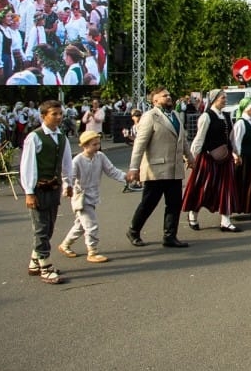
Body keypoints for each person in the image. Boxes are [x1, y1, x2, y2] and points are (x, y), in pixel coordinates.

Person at [125, 88, 192, 248]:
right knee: (149, 203)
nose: (168, 97)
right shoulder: (150, 117)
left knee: (174, 203)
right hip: (156, 169)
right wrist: (134, 167)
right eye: (164, 96)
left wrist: (190, 158)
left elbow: (183, 141)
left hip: (174, 168)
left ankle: (170, 236)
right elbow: (139, 145)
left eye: (169, 95)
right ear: (154, 101)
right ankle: (133, 230)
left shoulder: (175, 116)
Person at [19, 100, 74, 284]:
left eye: (60, 114)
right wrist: (29, 191)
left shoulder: (61, 137)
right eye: (54, 114)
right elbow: (28, 166)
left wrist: (68, 183)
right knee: (41, 227)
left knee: (49, 225)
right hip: (39, 188)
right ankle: (45, 265)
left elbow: (66, 163)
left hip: (54, 187)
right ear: (43, 116)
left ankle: (35, 261)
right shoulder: (34, 137)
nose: (58, 118)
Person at [58, 130, 127, 263]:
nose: (97, 147)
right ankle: (92, 251)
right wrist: (68, 188)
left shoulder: (100, 157)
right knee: (91, 225)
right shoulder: (77, 160)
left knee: (80, 225)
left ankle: (65, 245)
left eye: (98, 144)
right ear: (85, 145)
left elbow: (111, 171)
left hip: (93, 195)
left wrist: (126, 177)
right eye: (94, 144)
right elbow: (70, 177)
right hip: (81, 197)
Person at [184, 89, 242, 233]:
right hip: (208, 158)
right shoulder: (206, 116)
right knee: (203, 188)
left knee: (227, 188)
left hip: (225, 158)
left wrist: (235, 152)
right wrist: (191, 157)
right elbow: (199, 138)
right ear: (215, 99)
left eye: (225, 97)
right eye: (223, 97)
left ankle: (225, 220)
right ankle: (193, 214)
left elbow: (231, 137)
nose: (225, 99)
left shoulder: (226, 116)